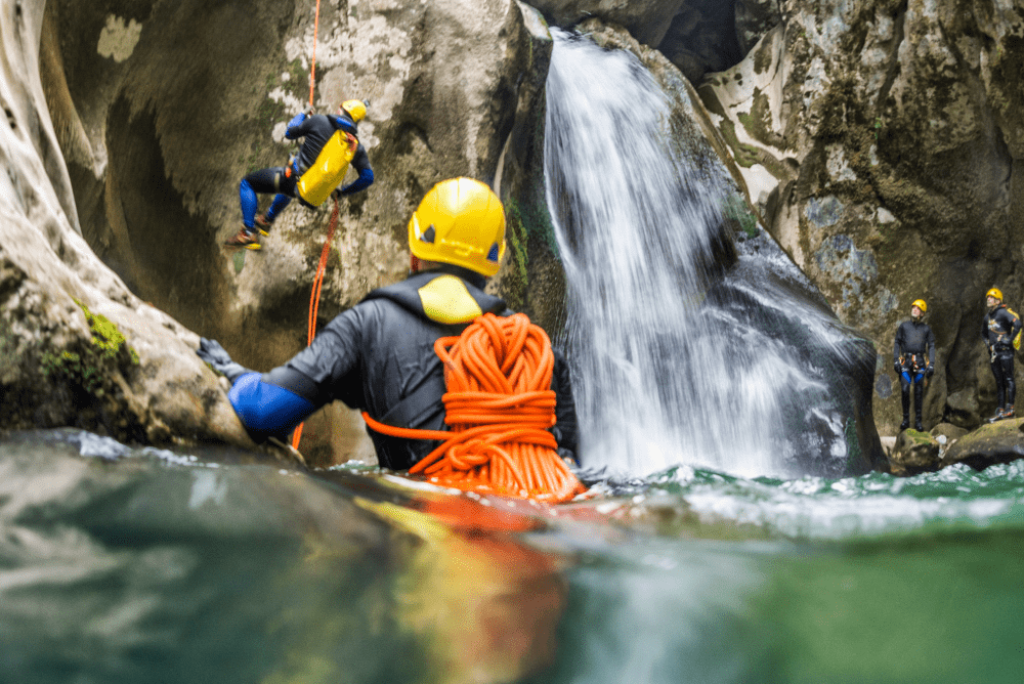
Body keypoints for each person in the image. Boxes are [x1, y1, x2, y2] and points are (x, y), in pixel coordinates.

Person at [200, 177, 579, 469]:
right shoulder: (537, 349)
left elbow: (263, 410)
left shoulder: (368, 325)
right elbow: (569, 465)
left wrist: (235, 372)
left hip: (422, 533)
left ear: (415, 250)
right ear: (493, 262)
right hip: (528, 537)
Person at [225, 99, 375, 250]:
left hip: (293, 179)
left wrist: (303, 113)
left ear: (343, 110)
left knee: (247, 184)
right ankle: (267, 220)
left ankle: (248, 233)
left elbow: (290, 132)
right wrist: (342, 193)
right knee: (289, 188)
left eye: (340, 108)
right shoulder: (354, 146)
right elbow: (368, 178)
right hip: (309, 191)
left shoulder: (319, 121)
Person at [893, 298, 936, 431]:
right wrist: (896, 359)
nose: (914, 309)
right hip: (906, 362)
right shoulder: (904, 326)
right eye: (913, 307)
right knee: (905, 390)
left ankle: (918, 422)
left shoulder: (926, 329)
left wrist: (931, 364)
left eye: (917, 308)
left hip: (920, 363)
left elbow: (932, 345)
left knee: (918, 392)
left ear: (922, 313)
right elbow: (897, 342)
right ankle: (906, 420)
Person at [981, 287, 1021, 422]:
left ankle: (1011, 408)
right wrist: (988, 346)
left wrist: (1009, 340)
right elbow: (983, 334)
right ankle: (1001, 409)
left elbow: (1018, 324)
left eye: (991, 298)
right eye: (987, 297)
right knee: (999, 382)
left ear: (998, 301)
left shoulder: (1003, 313)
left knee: (1009, 379)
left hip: (1006, 352)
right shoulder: (987, 317)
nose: (988, 299)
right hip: (994, 354)